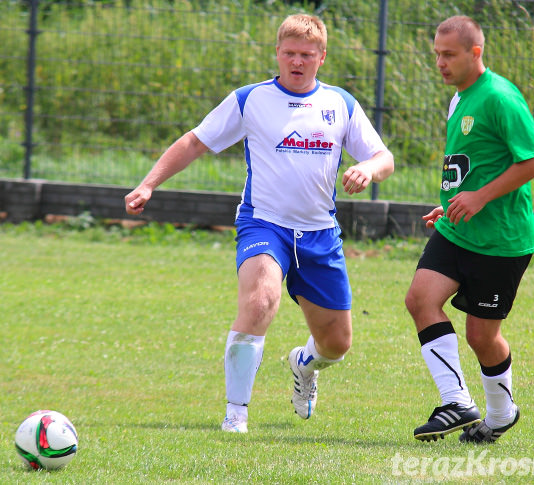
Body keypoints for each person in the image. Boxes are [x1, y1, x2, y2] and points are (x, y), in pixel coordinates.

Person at [125, 13, 394, 433]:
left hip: (320, 232)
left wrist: (370, 170)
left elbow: (384, 157)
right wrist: (148, 184)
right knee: (259, 303)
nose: (297, 61)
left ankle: (304, 364)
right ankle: (236, 415)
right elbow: (196, 141)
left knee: (336, 345)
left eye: (306, 54)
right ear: (277, 53)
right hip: (264, 224)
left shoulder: (340, 104)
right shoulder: (251, 99)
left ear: (321, 57)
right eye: (289, 53)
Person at [405, 15, 534, 443]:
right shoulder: (458, 100)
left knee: (481, 336)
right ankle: (456, 401)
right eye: (436, 55)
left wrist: (481, 197)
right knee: (420, 299)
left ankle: (501, 414)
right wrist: (449, 204)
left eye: (448, 55)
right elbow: (470, 165)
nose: (440, 63)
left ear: (475, 53)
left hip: (500, 241)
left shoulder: (500, 98)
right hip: (458, 229)